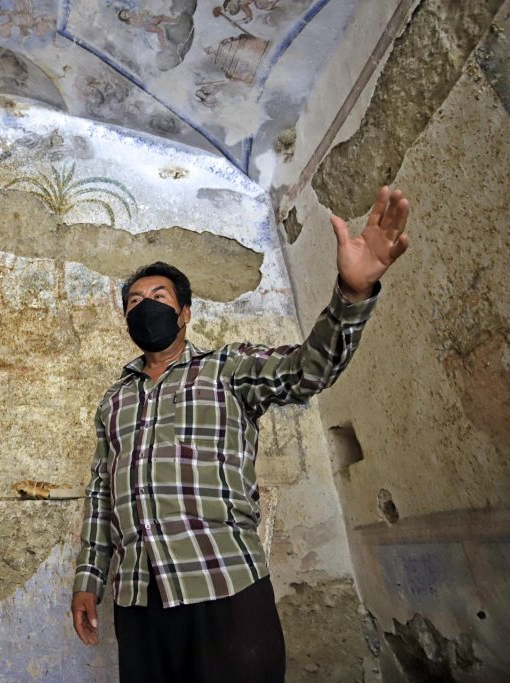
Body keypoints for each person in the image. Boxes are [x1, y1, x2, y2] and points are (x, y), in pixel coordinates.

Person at [70, 186, 411, 682]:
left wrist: (352, 293)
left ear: (185, 313)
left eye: (159, 297)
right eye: (136, 301)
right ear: (126, 320)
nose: (146, 306)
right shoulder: (113, 401)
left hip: (224, 584)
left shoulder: (227, 370)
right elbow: (101, 494)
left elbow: (306, 371)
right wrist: (88, 580)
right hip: (138, 599)